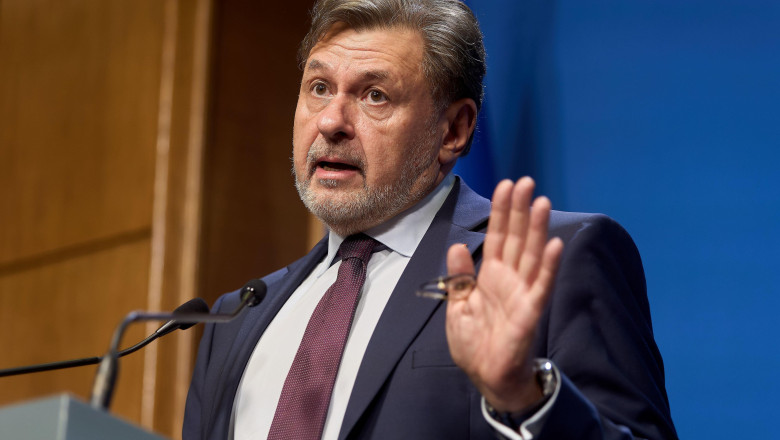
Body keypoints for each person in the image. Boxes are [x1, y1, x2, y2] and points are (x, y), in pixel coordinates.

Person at [183, 0, 677, 439]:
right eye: (318, 87)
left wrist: (526, 396)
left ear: (454, 130)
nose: (331, 121)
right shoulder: (235, 320)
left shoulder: (558, 261)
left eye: (375, 95)